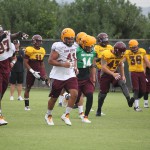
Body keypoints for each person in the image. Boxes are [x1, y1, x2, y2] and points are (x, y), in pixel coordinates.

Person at [45, 28, 78, 126]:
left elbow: (74, 58)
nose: (70, 40)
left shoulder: (75, 46)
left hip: (70, 74)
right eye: (68, 38)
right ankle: (48, 115)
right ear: (63, 38)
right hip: (58, 76)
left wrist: (75, 67)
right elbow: (50, 61)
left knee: (75, 94)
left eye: (72, 38)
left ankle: (66, 115)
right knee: (54, 98)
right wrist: (64, 64)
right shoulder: (58, 47)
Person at [96, 41, 134, 116]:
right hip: (105, 74)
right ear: (116, 50)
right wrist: (112, 74)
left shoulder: (120, 55)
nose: (122, 54)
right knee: (103, 94)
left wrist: (123, 76)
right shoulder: (106, 54)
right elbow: (103, 68)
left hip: (114, 72)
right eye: (121, 52)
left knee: (122, 83)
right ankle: (99, 110)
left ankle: (129, 100)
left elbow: (120, 64)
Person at [0, 25, 28, 126]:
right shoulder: (4, 37)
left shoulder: (8, 41)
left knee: (2, 91)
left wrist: (19, 34)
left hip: (5, 67)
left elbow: (13, 57)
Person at [122, 39, 150, 111]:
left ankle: (133, 99)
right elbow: (121, 61)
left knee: (143, 91)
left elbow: (147, 62)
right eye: (132, 47)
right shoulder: (127, 53)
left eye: (135, 47)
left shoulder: (142, 51)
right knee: (136, 89)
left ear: (137, 46)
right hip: (133, 72)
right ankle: (136, 106)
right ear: (130, 47)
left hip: (141, 72)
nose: (134, 48)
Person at [24, 34, 48, 111]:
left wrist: (44, 73)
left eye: (40, 41)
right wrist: (32, 71)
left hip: (39, 70)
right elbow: (25, 63)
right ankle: (26, 106)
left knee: (47, 80)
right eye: (37, 41)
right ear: (33, 41)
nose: (39, 42)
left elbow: (41, 63)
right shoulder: (29, 49)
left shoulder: (42, 50)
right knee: (28, 88)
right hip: (31, 71)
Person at [76, 35, 97, 123]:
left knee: (90, 95)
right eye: (89, 46)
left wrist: (93, 77)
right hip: (76, 77)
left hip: (86, 77)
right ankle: (67, 98)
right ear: (84, 44)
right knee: (76, 99)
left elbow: (93, 65)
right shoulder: (77, 51)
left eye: (92, 46)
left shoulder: (93, 52)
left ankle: (86, 116)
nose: (90, 48)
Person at [94, 32, 113, 115]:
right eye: (104, 40)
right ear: (99, 41)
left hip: (111, 70)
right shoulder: (96, 48)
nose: (105, 42)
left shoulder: (110, 47)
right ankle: (99, 109)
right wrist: (102, 57)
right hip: (101, 70)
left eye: (106, 40)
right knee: (103, 91)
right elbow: (94, 59)